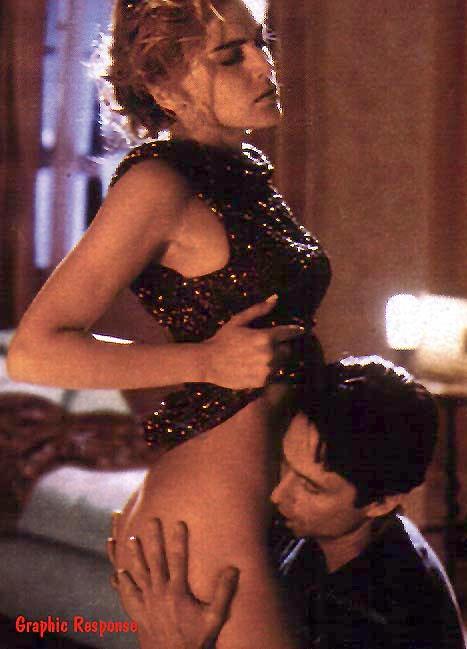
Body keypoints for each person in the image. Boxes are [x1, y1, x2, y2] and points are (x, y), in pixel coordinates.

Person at [7, 0, 331, 647]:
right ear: (164, 88)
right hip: (210, 508)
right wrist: (204, 361)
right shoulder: (157, 183)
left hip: (272, 495)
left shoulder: (242, 171)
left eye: (260, 43)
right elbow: (33, 352)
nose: (264, 65)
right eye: (230, 56)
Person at [109, 356, 467, 649]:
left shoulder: (381, 614)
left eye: (311, 487)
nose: (279, 494)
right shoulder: (326, 532)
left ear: (382, 502)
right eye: (285, 463)